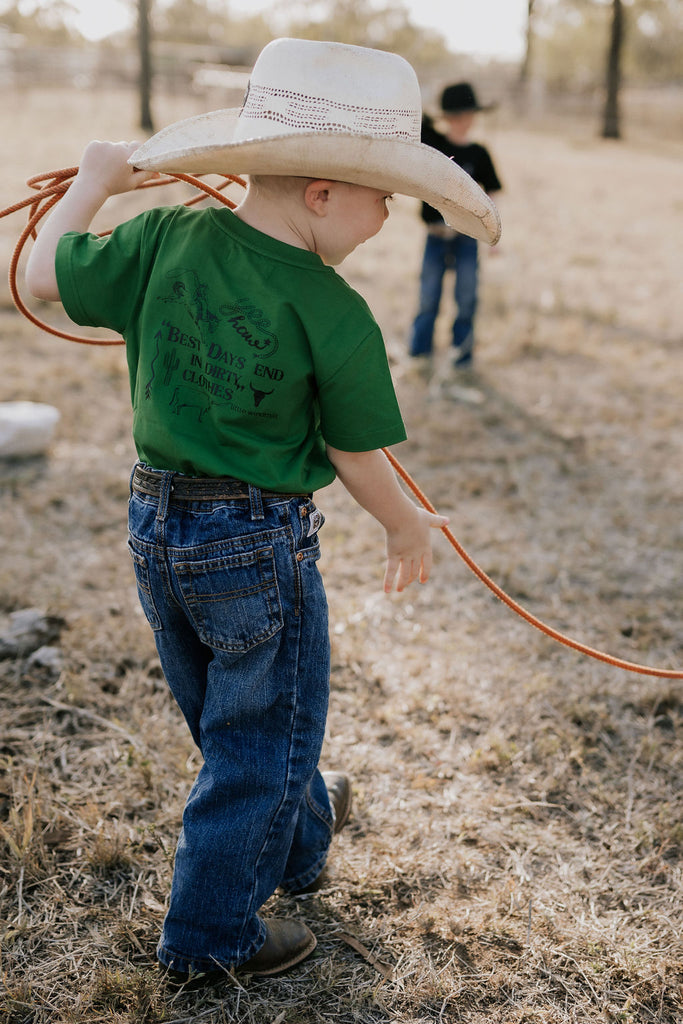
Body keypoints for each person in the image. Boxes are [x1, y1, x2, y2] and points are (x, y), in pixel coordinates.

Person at [25, 38, 500, 986]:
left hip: (157, 530)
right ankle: (211, 935)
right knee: (260, 733)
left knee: (235, 715)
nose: (388, 220)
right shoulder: (334, 311)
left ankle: (298, 833)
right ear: (323, 191)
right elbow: (353, 452)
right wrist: (407, 526)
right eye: (383, 199)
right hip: (255, 546)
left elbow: (40, 277)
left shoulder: (161, 237)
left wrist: (95, 184)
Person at [408, 81, 502, 374]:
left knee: (466, 296)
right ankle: (419, 353)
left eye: (468, 115)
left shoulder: (479, 153)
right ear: (447, 117)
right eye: (456, 116)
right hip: (435, 236)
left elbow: (493, 195)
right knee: (428, 296)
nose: (463, 122)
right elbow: (415, 118)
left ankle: (462, 356)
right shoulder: (435, 144)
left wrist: (495, 237)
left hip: (467, 238)